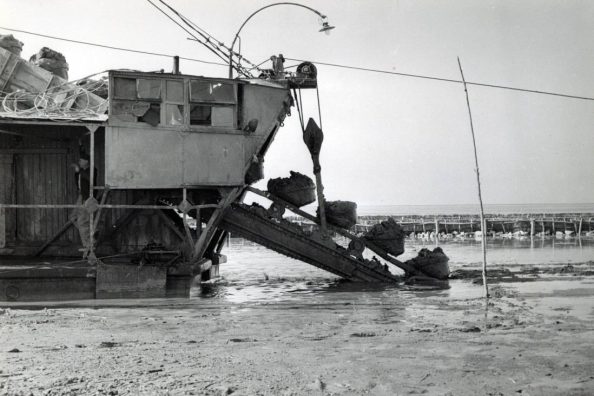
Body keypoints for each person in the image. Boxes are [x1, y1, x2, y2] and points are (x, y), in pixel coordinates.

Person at [71, 152, 97, 256]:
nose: (79, 162)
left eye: (81, 160)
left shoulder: (92, 170)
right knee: (73, 217)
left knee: (82, 222)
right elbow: (78, 181)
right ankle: (92, 235)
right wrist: (77, 172)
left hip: (88, 198)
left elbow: (88, 178)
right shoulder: (82, 171)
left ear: (86, 162)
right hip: (81, 196)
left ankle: (88, 243)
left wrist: (79, 170)